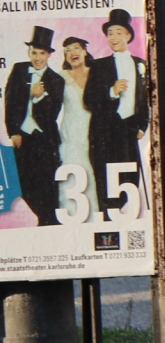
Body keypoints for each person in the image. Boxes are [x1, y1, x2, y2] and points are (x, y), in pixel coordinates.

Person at [85, 9, 148, 214]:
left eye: (118, 32)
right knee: (105, 183)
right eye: (110, 33)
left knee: (129, 180)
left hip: (129, 130)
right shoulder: (100, 66)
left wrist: (141, 126)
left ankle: (121, 219)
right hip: (104, 131)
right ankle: (108, 226)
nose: (113, 37)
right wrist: (111, 91)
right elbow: (89, 100)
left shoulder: (141, 65)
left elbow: (146, 99)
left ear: (128, 36)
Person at [3, 26, 65, 225]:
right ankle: (43, 217)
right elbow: (10, 102)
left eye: (42, 53)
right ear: (29, 52)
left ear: (49, 55)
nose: (37, 58)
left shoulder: (56, 80)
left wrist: (40, 98)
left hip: (45, 139)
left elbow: (52, 116)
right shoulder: (20, 69)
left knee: (47, 184)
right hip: (22, 137)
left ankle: (48, 221)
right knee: (23, 183)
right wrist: (13, 132)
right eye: (34, 52)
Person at [58, 37, 99, 219]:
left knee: (96, 180)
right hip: (70, 138)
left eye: (76, 48)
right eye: (67, 50)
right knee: (72, 180)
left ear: (84, 51)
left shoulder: (97, 73)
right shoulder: (60, 77)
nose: (72, 52)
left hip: (95, 135)